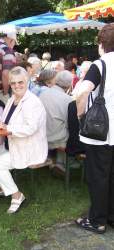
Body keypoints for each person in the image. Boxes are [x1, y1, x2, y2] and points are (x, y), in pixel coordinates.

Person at [0, 66, 47, 213]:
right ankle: (1, 187)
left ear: (28, 81)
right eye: (13, 83)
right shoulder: (12, 99)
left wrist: (8, 129)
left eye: (20, 82)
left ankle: (16, 195)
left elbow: (30, 128)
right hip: (13, 144)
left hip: (28, 148)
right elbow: (7, 121)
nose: (17, 86)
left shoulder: (32, 102)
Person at [75, 23, 114, 234]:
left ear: (101, 43)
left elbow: (82, 91)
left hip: (100, 131)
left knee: (98, 176)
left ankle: (97, 220)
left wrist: (80, 113)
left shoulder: (100, 65)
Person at [39, 70, 73, 172]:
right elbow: (70, 124)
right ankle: (61, 164)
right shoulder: (68, 100)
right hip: (56, 138)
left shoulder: (43, 94)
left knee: (59, 127)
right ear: (69, 85)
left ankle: (51, 160)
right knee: (71, 131)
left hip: (40, 135)